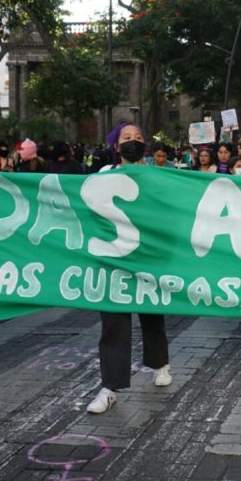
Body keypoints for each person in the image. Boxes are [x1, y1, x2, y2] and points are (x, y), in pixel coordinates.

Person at [87, 123, 172, 414]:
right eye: (127, 138)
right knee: (113, 322)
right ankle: (109, 387)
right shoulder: (102, 176)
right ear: (116, 146)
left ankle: (160, 364)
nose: (132, 142)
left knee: (151, 313)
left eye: (137, 138)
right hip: (113, 259)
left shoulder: (158, 176)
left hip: (147, 256)